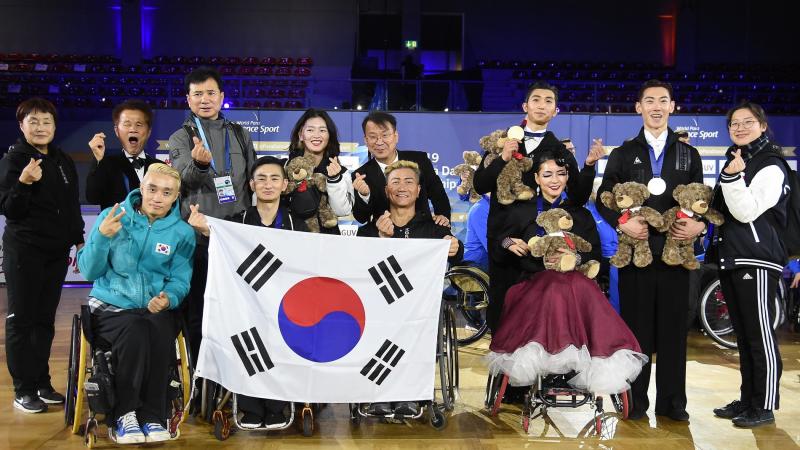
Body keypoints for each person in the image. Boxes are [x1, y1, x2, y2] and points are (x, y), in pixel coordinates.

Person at [488, 149, 647, 393]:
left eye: (560, 174)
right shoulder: (521, 210)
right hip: (533, 282)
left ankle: (594, 356)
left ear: (567, 177)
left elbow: (594, 254)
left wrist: (574, 258)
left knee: (578, 287)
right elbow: (500, 244)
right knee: (554, 287)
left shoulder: (580, 213)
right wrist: (509, 243)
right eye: (548, 174)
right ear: (537, 178)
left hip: (576, 282)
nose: (554, 180)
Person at [596, 79, 705, 421]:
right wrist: (621, 222)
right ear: (638, 107)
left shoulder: (689, 153)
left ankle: (674, 404)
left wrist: (699, 225)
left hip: (675, 255)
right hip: (635, 255)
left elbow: (702, 199)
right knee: (636, 331)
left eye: (663, 100)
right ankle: (634, 402)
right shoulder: (624, 153)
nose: (656, 107)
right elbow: (604, 198)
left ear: (673, 107)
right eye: (649, 101)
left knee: (674, 332)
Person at [77, 163, 195, 443]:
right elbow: (89, 271)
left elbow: (180, 279)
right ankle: (125, 413)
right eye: (152, 189)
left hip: (155, 309)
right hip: (111, 304)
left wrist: (169, 298)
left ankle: (153, 416)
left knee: (156, 327)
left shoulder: (182, 233)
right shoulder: (113, 216)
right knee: (136, 328)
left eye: (166, 193)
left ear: (175, 197)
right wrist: (102, 237)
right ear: (141, 188)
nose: (157, 197)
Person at [474, 81, 604, 332]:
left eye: (548, 101)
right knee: (505, 316)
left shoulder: (561, 150)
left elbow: (577, 197)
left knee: (545, 322)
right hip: (506, 238)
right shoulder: (501, 142)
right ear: (525, 105)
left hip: (543, 244)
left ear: (556, 111)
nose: (542, 105)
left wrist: (588, 167)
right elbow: (480, 185)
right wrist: (503, 158)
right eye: (536, 99)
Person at [189, 155, 307, 428]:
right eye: (261, 179)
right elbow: (219, 238)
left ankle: (277, 405)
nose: (268, 184)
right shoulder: (238, 221)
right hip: (245, 306)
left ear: (285, 185)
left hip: (283, 308)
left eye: (274, 178)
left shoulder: (296, 226)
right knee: (243, 335)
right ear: (252, 185)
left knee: (283, 334)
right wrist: (207, 231)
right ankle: (250, 405)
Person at [357, 160, 463, 416]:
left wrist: (454, 247)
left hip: (420, 312)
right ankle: (379, 392)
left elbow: (457, 257)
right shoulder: (368, 231)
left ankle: (410, 392)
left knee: (416, 322)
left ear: (418, 191)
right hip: (379, 310)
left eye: (408, 182)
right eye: (395, 182)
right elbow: (358, 268)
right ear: (386, 190)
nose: (402, 187)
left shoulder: (436, 230)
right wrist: (381, 241)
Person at [0, 97, 84, 413]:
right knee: (22, 320)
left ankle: (41, 381)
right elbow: (9, 208)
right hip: (25, 251)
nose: (40, 127)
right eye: (33, 121)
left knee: (45, 321)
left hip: (55, 253)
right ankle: (23, 389)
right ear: (21, 125)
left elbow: (71, 205)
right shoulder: (14, 160)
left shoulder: (62, 160)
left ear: (54, 125)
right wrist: (23, 182)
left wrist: (78, 240)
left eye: (46, 121)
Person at [167, 67, 257, 362]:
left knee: (238, 309)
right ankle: (199, 374)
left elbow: (252, 182)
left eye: (210, 93)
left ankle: (235, 371)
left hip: (236, 239)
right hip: (197, 239)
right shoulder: (180, 138)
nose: (204, 100)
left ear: (221, 97)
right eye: (197, 94)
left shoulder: (240, 134)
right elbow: (182, 180)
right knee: (199, 311)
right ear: (188, 100)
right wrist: (201, 165)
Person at [709, 102, 788, 427]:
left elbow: (746, 211)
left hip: (756, 259)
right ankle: (748, 398)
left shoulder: (770, 164)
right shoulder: (741, 161)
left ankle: (765, 404)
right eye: (734, 124)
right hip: (734, 257)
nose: (740, 128)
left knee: (761, 336)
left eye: (748, 122)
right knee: (744, 335)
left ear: (763, 126)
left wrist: (731, 177)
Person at [351, 111, 450, 226]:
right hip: (384, 237)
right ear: (366, 140)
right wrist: (364, 195)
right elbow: (361, 218)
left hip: (422, 233)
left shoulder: (420, 161)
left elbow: (439, 195)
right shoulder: (360, 175)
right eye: (373, 137)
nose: (379, 142)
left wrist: (443, 218)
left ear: (396, 136)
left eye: (385, 135)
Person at [287, 108, 354, 234]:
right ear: (301, 135)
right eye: (310, 130)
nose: (316, 135)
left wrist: (335, 180)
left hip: (328, 240)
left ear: (329, 135)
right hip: (292, 237)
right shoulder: (287, 167)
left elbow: (342, 211)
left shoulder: (342, 172)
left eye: (322, 130)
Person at [85, 99, 160, 210]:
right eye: (127, 124)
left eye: (139, 125)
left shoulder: (159, 167)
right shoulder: (107, 164)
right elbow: (92, 198)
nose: (133, 129)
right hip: (118, 226)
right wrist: (98, 160)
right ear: (117, 131)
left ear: (148, 132)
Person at [463, 194, 490, 272]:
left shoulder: (491, 207)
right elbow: (489, 245)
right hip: (476, 263)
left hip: (485, 260)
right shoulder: (480, 208)